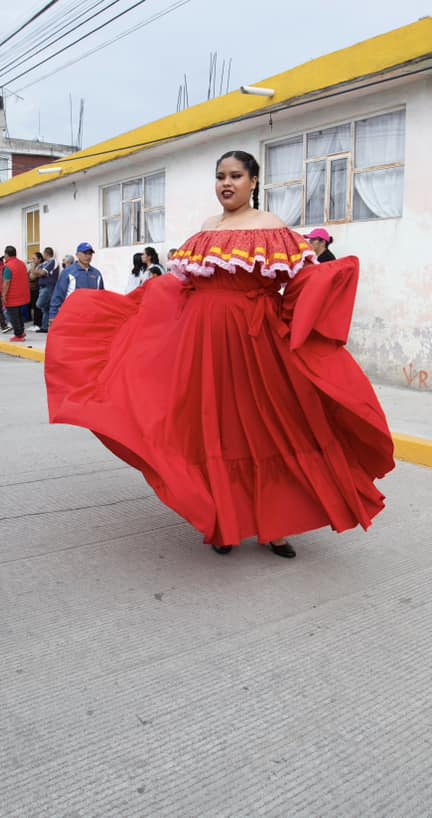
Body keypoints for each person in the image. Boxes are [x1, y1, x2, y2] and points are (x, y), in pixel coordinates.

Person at [45, 149, 394, 559]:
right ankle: (224, 522)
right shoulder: (207, 229)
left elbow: (301, 281)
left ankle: (274, 527)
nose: (226, 184)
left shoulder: (271, 226)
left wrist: (331, 279)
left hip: (255, 343)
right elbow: (186, 286)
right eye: (220, 176)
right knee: (212, 428)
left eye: (235, 176)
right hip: (201, 343)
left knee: (269, 427)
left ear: (253, 182)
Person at [49, 242, 104, 320]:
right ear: (77, 255)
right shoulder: (68, 272)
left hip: (92, 317)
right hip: (72, 317)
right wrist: (53, 315)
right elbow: (58, 295)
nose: (88, 256)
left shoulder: (97, 274)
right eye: (85, 253)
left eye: (90, 254)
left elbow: (101, 297)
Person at [1, 245, 29, 342]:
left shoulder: (8, 266)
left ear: (6, 254)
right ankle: (21, 331)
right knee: (19, 314)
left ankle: (18, 335)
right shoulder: (22, 264)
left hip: (12, 295)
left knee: (13, 315)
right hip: (22, 293)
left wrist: (3, 295)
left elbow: (6, 282)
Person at [32, 247, 57, 333]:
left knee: (39, 304)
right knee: (46, 309)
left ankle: (49, 325)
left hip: (48, 287)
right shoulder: (43, 264)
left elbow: (42, 273)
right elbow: (32, 276)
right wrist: (36, 270)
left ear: (46, 254)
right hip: (42, 287)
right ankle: (45, 327)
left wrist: (35, 270)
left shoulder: (52, 262)